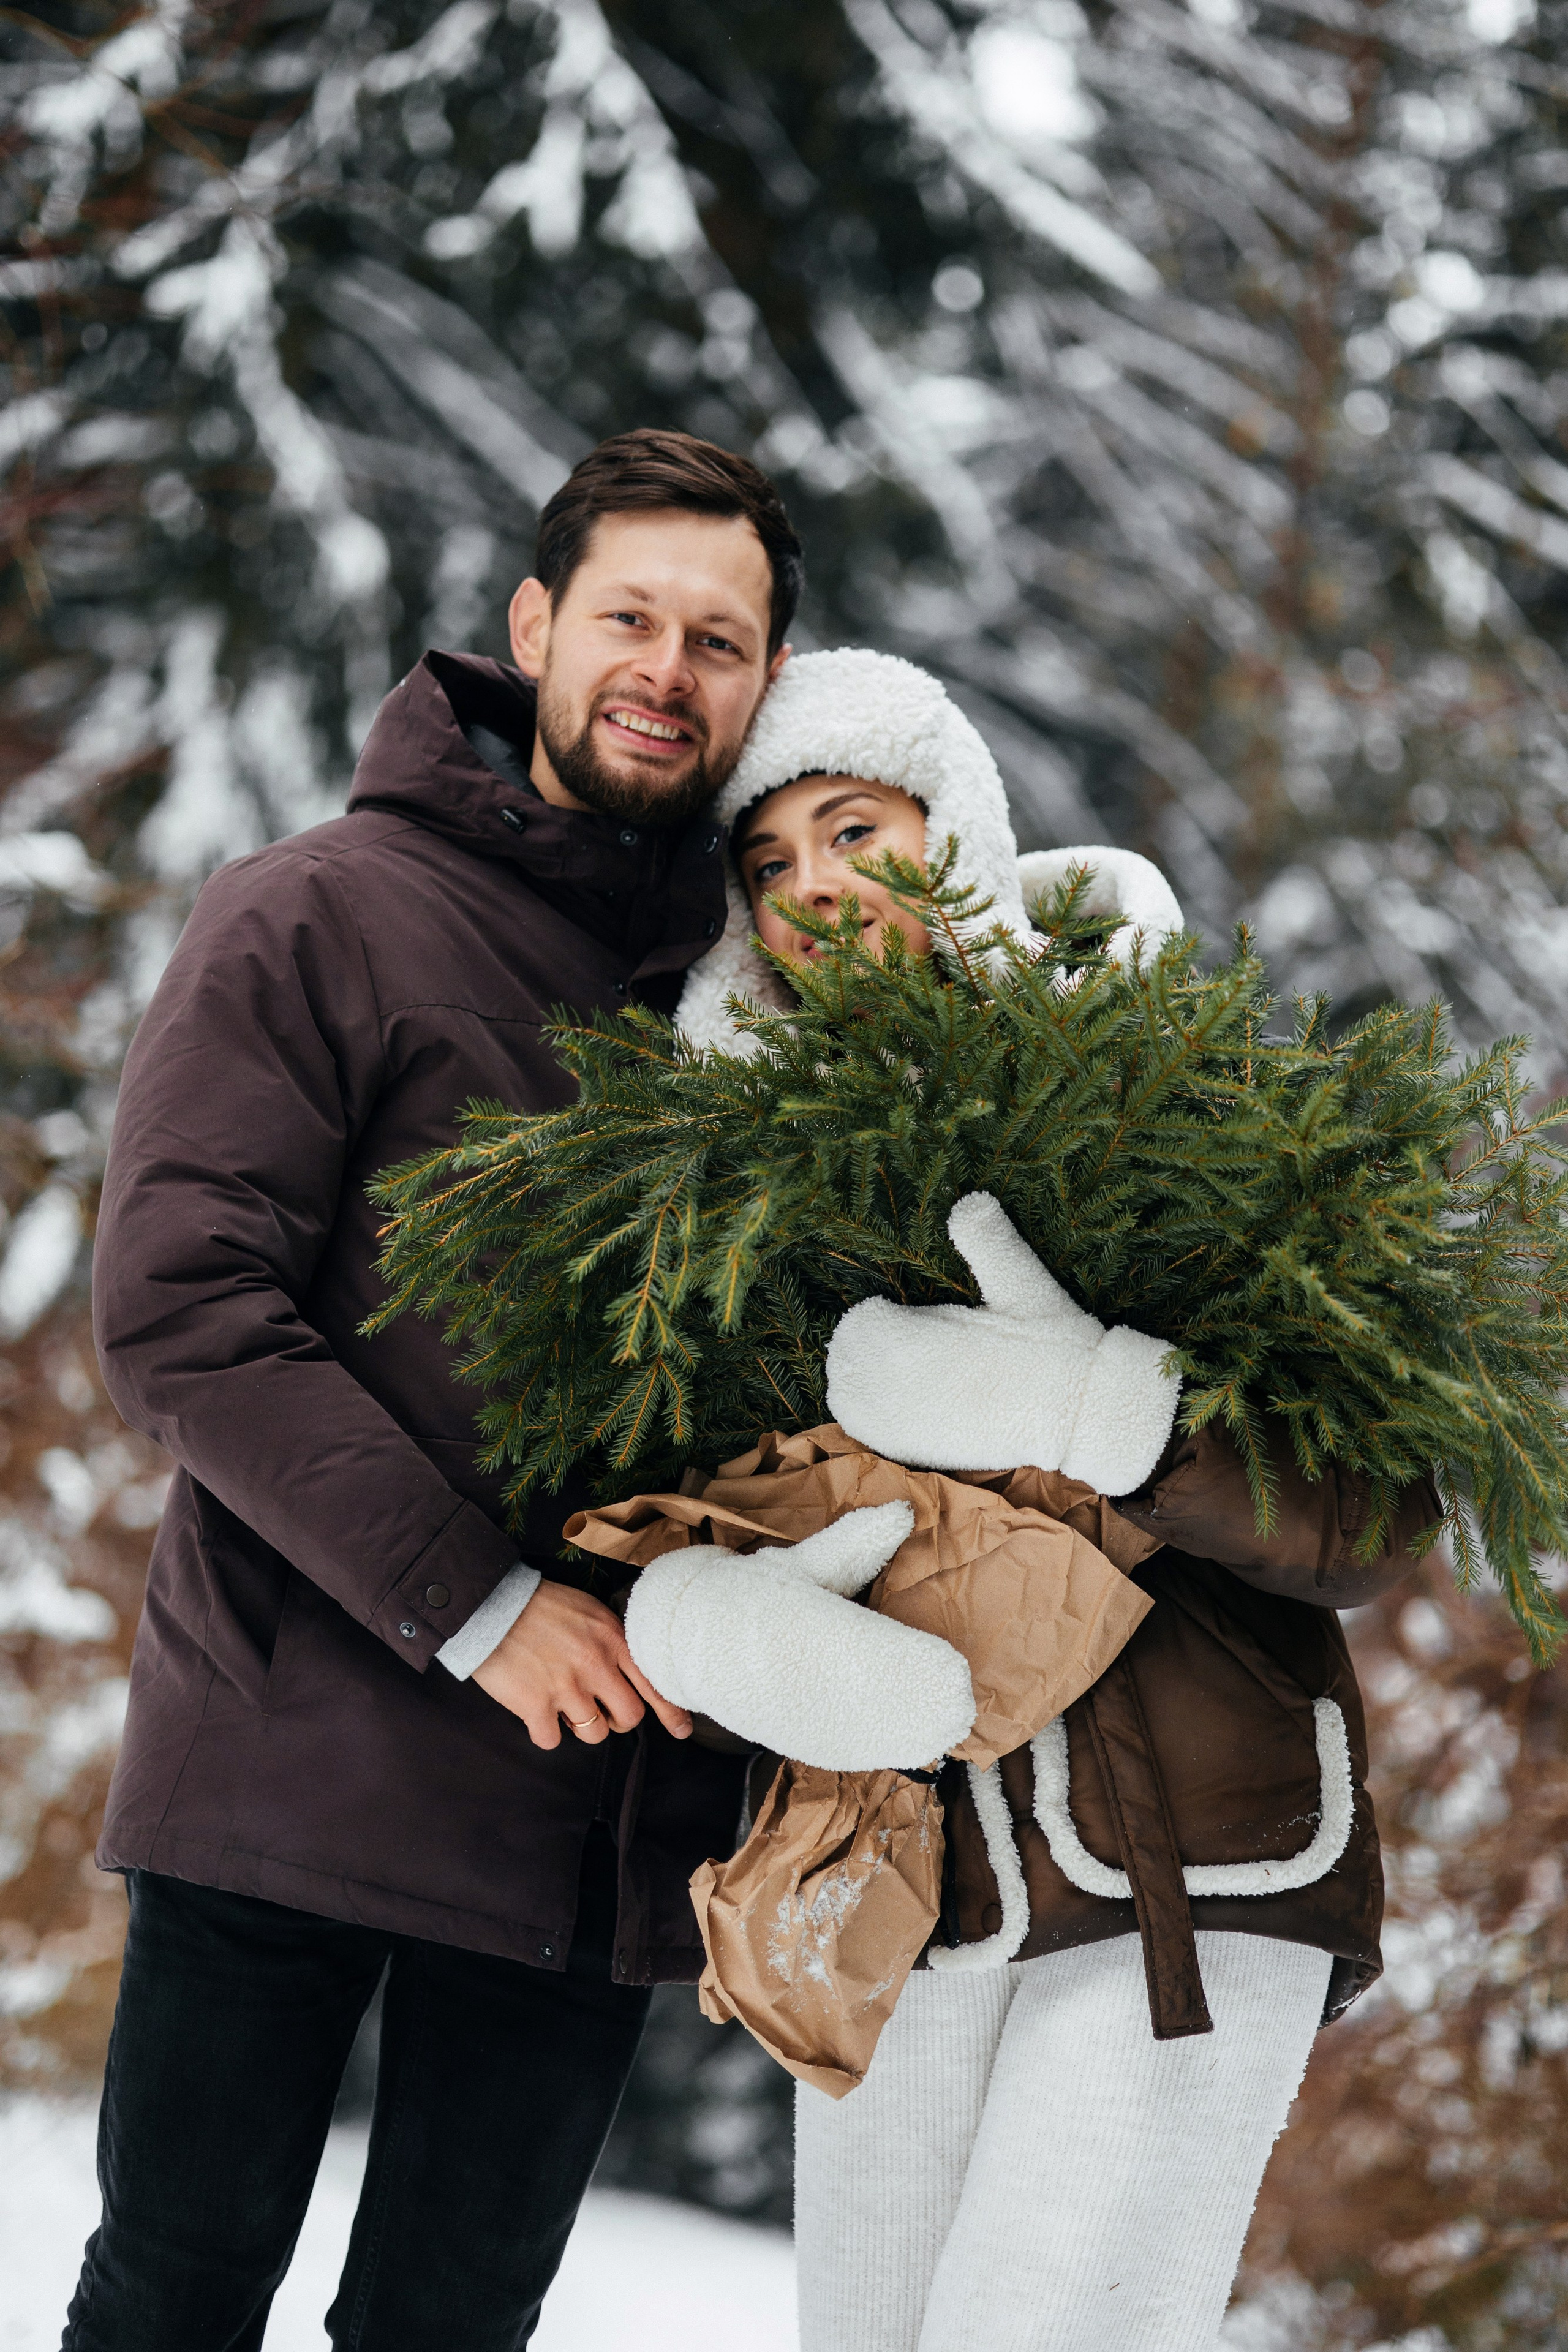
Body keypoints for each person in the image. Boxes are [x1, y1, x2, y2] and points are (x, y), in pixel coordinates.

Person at [67, 429, 801, 2352]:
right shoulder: (314, 913)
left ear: (768, 688)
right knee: (174, 2300)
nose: (669, 669)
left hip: (598, 1813)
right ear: (535, 627)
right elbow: (180, 1308)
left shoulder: (764, 1007)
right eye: (632, 617)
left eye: (720, 643)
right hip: (293, 1746)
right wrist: (473, 1606)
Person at [656, 647, 1441, 2352]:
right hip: (892, 1900)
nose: (812, 890)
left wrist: (1101, 1409)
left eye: (852, 829)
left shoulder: (1174, 1098)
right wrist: (712, 1616)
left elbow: (1382, 1508)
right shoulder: (736, 1214)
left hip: (1184, 1880)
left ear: (954, 827)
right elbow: (682, 1501)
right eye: (767, 864)